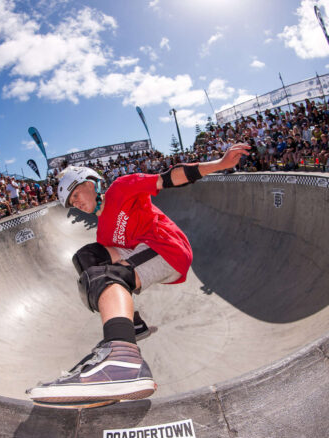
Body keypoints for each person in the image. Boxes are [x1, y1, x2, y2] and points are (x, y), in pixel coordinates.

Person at [26, 143, 250, 404]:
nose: (76, 204)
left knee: (104, 277)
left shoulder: (121, 188)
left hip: (168, 248)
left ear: (90, 183)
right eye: (71, 204)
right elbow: (103, 256)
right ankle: (131, 324)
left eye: (76, 195)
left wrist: (219, 164)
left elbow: (170, 178)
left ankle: (122, 361)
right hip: (146, 253)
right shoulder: (103, 232)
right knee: (88, 259)